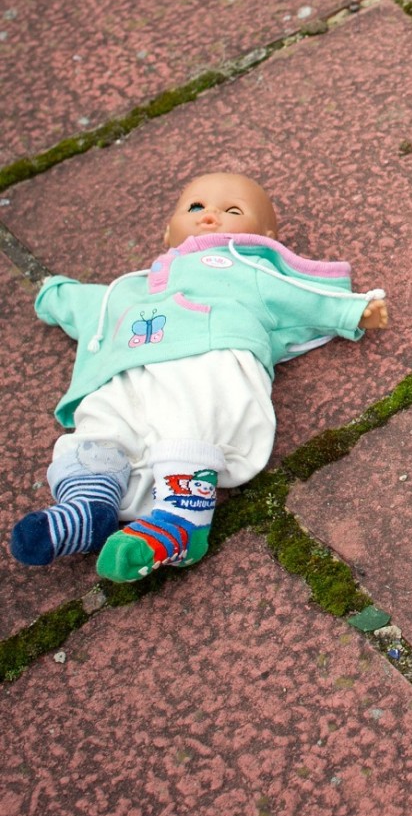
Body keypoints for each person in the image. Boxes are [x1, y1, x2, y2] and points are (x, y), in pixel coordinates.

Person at [11, 172, 389, 581]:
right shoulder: (127, 290)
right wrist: (55, 295)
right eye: (195, 207)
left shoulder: (244, 271)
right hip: (127, 373)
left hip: (206, 359)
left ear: (266, 237)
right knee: (101, 422)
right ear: (167, 229)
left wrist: (351, 311)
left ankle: (181, 522)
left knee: (189, 420)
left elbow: (295, 296)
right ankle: (88, 506)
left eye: (232, 210)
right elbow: (88, 305)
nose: (210, 215)